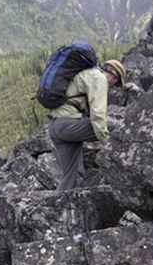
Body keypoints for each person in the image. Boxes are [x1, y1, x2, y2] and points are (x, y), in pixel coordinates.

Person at [48, 59, 126, 191]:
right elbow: (98, 115)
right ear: (113, 75)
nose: (113, 86)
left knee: (70, 177)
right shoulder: (99, 79)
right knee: (117, 128)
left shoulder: (86, 74)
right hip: (69, 125)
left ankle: (59, 208)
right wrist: (107, 141)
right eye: (116, 82)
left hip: (55, 127)